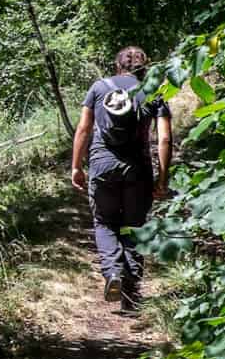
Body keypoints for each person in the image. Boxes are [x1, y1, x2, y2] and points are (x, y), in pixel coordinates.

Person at [69, 46, 172, 312]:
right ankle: (131, 296)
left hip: (102, 166)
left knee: (104, 224)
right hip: (137, 170)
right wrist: (163, 178)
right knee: (133, 227)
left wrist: (76, 167)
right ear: (144, 67)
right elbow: (164, 139)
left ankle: (112, 272)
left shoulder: (99, 88)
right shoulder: (155, 93)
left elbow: (83, 129)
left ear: (118, 65)